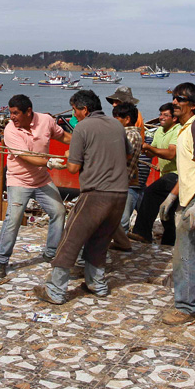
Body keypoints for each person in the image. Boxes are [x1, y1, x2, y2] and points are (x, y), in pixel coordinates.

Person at [34, 90, 129, 304]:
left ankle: (55, 290)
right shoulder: (116, 125)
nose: (74, 115)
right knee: (100, 240)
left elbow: (73, 168)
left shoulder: (82, 128)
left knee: (71, 239)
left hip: (96, 193)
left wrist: (69, 157)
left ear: (84, 109)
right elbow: (128, 153)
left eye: (75, 110)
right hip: (120, 193)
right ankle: (97, 284)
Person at [0, 94, 73, 279]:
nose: (12, 117)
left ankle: (51, 253)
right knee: (13, 220)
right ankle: (1, 261)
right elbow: (26, 156)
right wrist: (50, 162)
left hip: (42, 180)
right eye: (10, 113)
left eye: (15, 113)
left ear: (28, 111)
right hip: (18, 181)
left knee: (59, 212)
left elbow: (63, 136)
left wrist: (83, 142)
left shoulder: (46, 120)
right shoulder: (10, 130)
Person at [158, 82, 195, 326]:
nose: (174, 102)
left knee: (183, 255)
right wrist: (171, 197)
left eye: (180, 99)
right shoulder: (183, 129)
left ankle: (186, 307)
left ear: (192, 105)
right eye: (174, 97)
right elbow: (188, 172)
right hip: (190, 196)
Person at [130, 103, 180, 245]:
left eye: (165, 115)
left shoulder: (178, 130)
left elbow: (171, 153)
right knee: (167, 211)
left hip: (177, 174)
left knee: (150, 193)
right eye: (160, 114)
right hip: (166, 175)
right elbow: (153, 152)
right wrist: (144, 149)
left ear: (174, 118)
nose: (161, 117)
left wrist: (148, 147)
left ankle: (142, 233)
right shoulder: (159, 131)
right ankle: (169, 242)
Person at [108, 102, 145, 252]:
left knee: (110, 215)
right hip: (121, 179)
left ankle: (120, 242)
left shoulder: (129, 135)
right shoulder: (133, 134)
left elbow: (119, 157)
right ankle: (121, 242)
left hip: (118, 179)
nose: (114, 120)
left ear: (127, 119)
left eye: (117, 118)